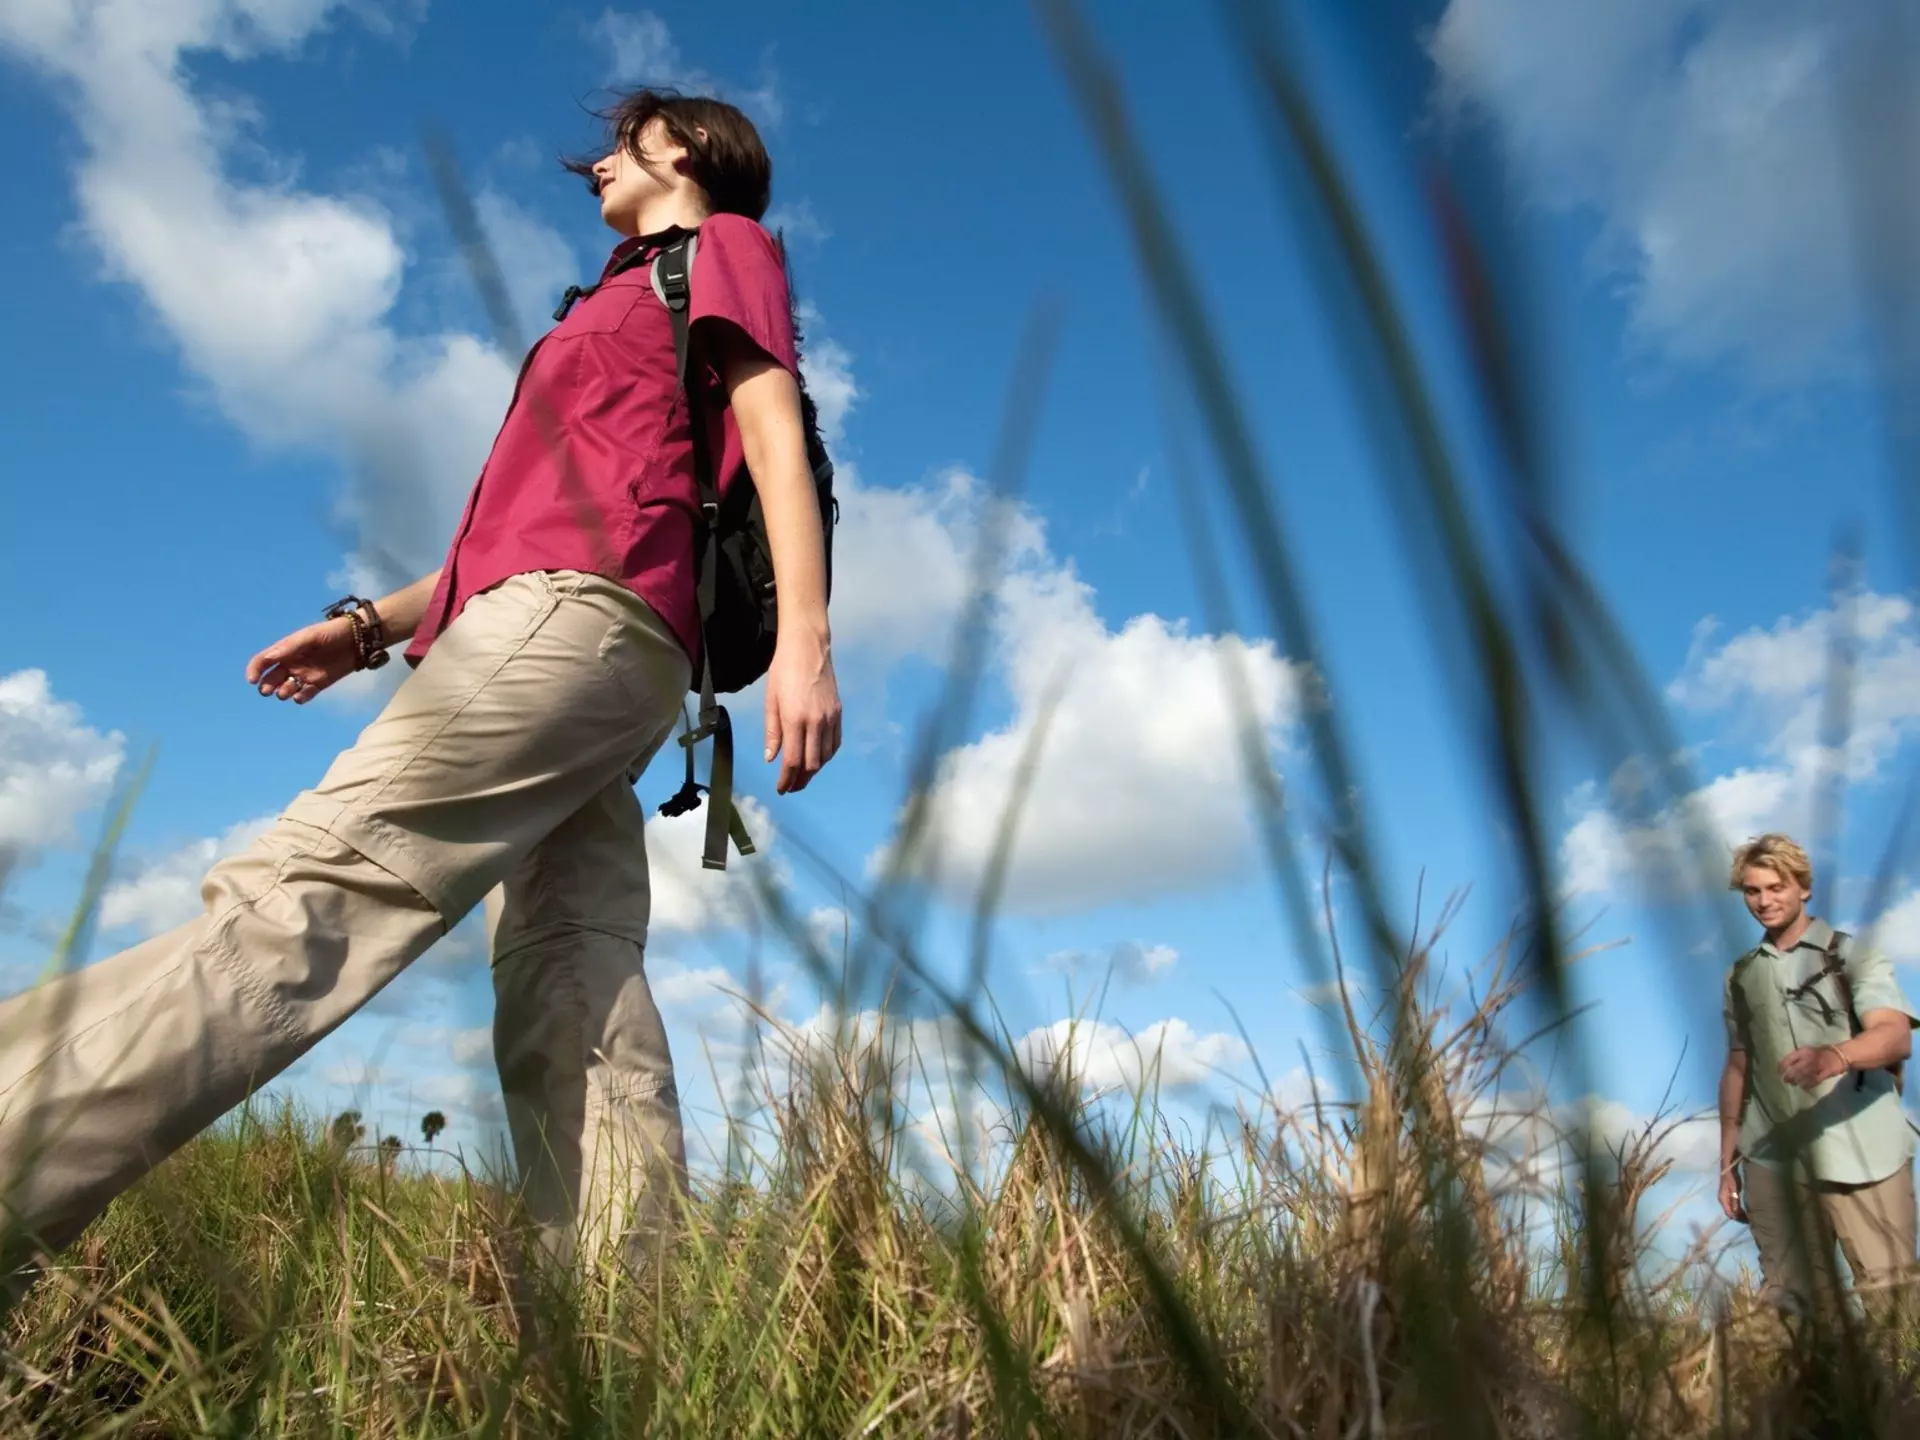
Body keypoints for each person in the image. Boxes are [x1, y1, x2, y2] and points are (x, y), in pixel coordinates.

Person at [0, 89, 840, 1288]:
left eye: (622, 142)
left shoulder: (723, 249)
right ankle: (621, 1338)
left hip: (575, 628)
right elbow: (509, 535)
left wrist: (805, 641)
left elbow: (767, 427)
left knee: (307, 895)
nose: (597, 162)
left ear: (688, 152)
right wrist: (369, 626)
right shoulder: (606, 302)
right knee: (575, 985)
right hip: (579, 645)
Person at [1717, 833, 1917, 1318]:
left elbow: (1896, 1037)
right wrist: (1726, 1164)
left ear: (1804, 888)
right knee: (1790, 1309)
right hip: (1772, 1158)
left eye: (1776, 887)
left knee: (1896, 1304)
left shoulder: (1853, 956)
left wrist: (1835, 1056)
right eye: (1752, 891)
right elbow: (1739, 1066)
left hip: (1864, 1151)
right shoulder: (1741, 975)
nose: (1764, 901)